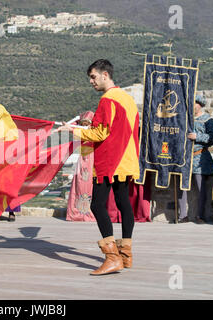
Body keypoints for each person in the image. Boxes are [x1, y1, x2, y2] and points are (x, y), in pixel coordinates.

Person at [57, 59, 140, 275]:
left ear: (105, 75)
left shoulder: (108, 100)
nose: (91, 82)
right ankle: (126, 254)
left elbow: (99, 133)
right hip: (127, 159)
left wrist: (72, 129)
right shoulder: (127, 99)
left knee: (97, 205)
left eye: (93, 77)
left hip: (111, 161)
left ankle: (112, 258)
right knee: (123, 203)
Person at [176, 95, 213, 223]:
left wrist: (197, 136)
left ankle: (200, 216)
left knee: (201, 188)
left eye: (194, 103)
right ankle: (182, 215)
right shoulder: (182, 118)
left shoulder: (208, 120)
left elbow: (212, 138)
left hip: (200, 157)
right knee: (182, 187)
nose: (192, 106)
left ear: (200, 104)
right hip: (183, 158)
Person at [66, 111, 97, 222]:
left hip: (92, 159)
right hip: (82, 159)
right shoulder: (80, 131)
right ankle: (77, 212)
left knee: (90, 185)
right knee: (79, 183)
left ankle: (89, 211)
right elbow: (72, 126)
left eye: (87, 123)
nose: (85, 126)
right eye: (83, 123)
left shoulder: (93, 132)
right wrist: (77, 119)